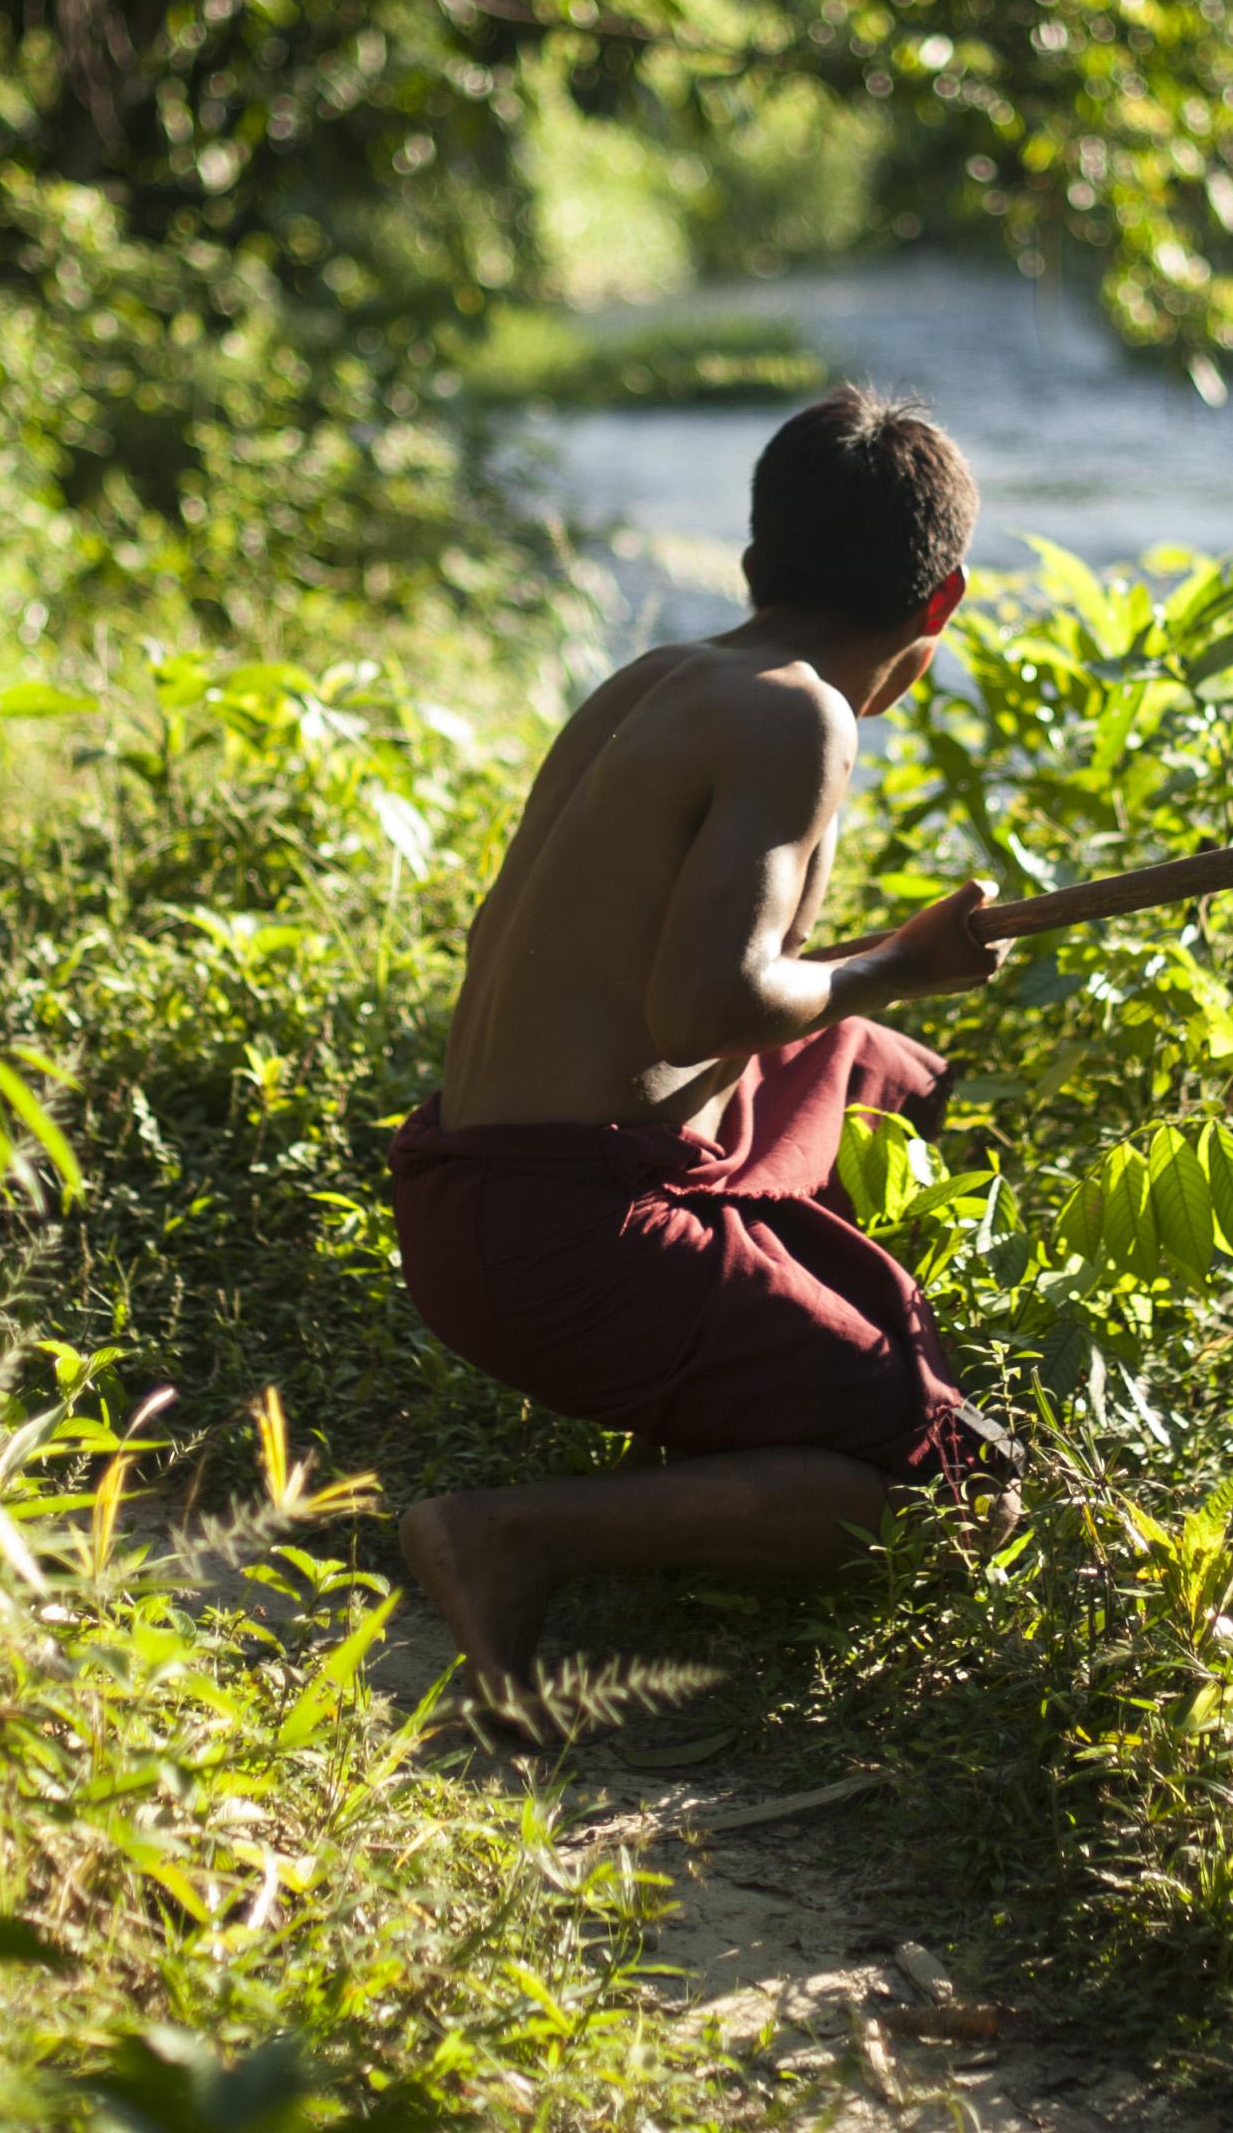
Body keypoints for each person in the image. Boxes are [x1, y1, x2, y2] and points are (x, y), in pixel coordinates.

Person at [393, 387, 1017, 1713]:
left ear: (752, 568)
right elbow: (702, 1009)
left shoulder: (662, 676)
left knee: (874, 1065)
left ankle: (792, 1350)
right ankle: (517, 1531)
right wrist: (902, 961)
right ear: (942, 603)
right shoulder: (803, 716)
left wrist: (870, 998)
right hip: (557, 1241)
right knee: (948, 1486)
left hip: (468, 1190)